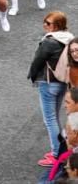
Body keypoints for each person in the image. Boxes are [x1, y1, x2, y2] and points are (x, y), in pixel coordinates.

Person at [28, 11, 74, 167]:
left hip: (48, 84)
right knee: (54, 117)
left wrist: (32, 76)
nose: (44, 25)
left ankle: (57, 154)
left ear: (57, 25)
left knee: (50, 119)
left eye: (48, 23)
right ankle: (61, 149)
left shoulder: (49, 42)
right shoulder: (69, 38)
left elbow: (37, 61)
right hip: (61, 82)